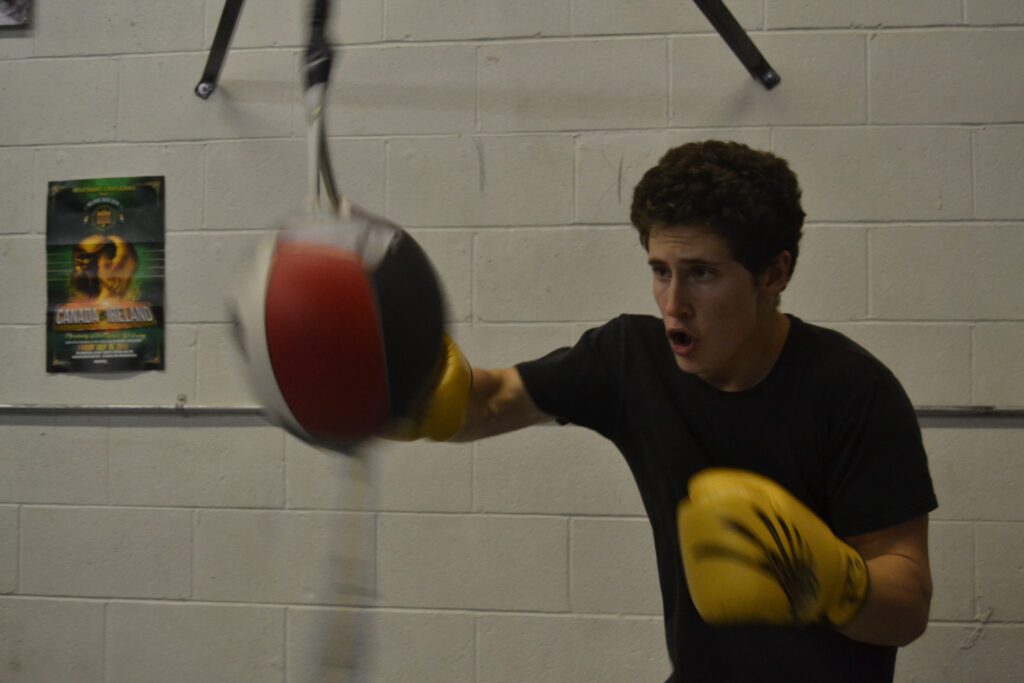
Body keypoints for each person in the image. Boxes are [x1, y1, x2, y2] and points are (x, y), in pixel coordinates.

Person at [400, 140, 936, 682]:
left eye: (701, 273)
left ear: (774, 274)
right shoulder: (632, 359)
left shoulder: (853, 391)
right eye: (661, 271)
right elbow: (488, 400)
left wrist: (827, 581)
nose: (674, 304)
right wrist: (403, 387)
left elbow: (909, 605)